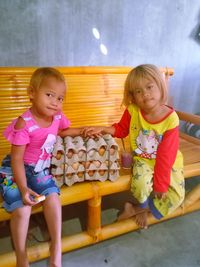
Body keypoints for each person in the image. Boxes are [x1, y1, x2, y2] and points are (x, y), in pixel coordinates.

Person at [0, 67, 84, 267]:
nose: (55, 102)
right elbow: (17, 160)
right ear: (31, 93)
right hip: (14, 170)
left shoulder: (57, 116)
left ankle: (56, 247)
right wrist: (22, 188)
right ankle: (21, 255)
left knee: (53, 198)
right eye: (49, 95)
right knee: (23, 209)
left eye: (60, 98)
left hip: (38, 170)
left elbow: (62, 131)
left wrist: (83, 131)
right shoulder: (24, 123)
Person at [84, 64, 185, 229]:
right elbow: (121, 129)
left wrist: (161, 184)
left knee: (175, 196)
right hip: (143, 160)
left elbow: (166, 155)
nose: (145, 93)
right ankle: (142, 208)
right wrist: (102, 129)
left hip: (168, 161)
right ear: (132, 95)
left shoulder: (171, 119)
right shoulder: (133, 110)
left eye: (149, 87)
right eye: (138, 91)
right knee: (140, 184)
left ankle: (137, 210)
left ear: (160, 86)